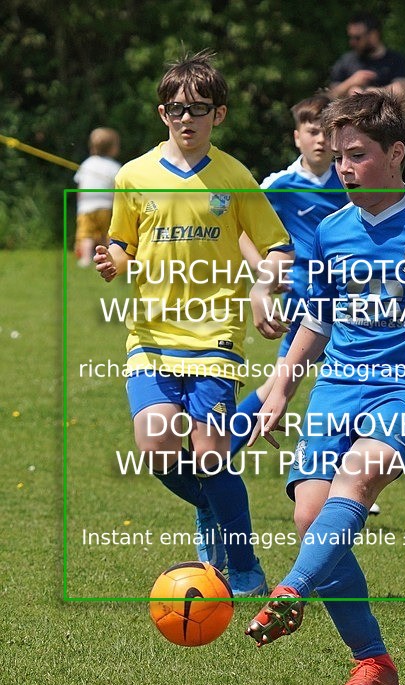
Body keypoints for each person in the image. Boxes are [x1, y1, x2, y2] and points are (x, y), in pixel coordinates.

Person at [245, 91, 405, 685]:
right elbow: (318, 320)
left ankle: (289, 594)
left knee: (356, 483)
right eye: (338, 157)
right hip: (337, 384)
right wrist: (281, 385)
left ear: (396, 152)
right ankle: (375, 665)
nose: (345, 168)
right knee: (310, 514)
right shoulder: (331, 230)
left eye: (357, 155)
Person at [93, 51, 294, 596]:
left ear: (218, 115)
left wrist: (261, 284)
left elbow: (277, 248)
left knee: (208, 455)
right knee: (157, 449)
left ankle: (244, 561)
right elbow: (121, 239)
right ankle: (217, 514)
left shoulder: (235, 176)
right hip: (152, 336)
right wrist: (114, 257)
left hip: (215, 335)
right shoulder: (134, 174)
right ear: (163, 114)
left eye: (199, 109)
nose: (187, 118)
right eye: (176, 109)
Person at [194, 94, 352, 567]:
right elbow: (246, 229)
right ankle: (218, 467)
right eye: (311, 129)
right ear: (297, 135)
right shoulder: (278, 185)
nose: (320, 138)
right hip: (306, 310)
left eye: (327, 130)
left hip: (354, 310)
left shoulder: (352, 181)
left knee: (325, 387)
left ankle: (338, 481)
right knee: (281, 386)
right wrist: (265, 281)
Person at [327, 12, 405, 99]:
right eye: (350, 37)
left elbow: (401, 91)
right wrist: (351, 82)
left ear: (373, 35)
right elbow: (331, 95)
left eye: (357, 38)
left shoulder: (397, 60)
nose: (352, 42)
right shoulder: (346, 61)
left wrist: (369, 93)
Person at [74, 128, 121, 267]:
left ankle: (85, 259)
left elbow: (80, 186)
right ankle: (110, 257)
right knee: (107, 234)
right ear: (112, 148)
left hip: (85, 206)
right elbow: (117, 189)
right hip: (106, 206)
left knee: (86, 234)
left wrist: (79, 205)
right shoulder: (114, 166)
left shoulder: (86, 164)